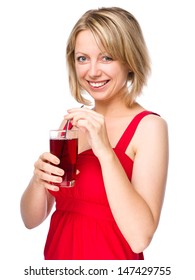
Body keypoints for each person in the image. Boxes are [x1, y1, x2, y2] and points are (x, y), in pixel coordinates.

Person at [20, 6, 169, 260]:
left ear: (130, 60)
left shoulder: (149, 127)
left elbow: (140, 237)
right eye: (82, 58)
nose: (92, 71)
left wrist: (105, 152)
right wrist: (38, 180)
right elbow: (30, 220)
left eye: (107, 57)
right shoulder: (71, 123)